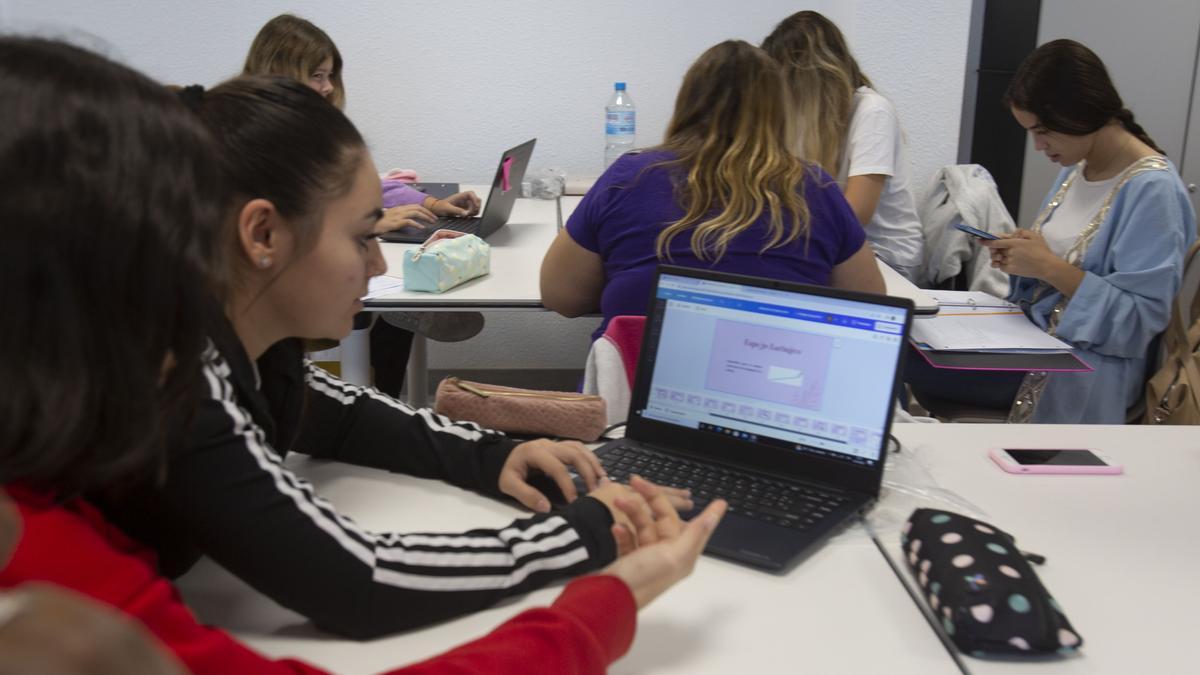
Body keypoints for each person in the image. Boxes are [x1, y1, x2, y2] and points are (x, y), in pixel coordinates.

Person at [0, 36, 725, 674]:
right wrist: (597, 561)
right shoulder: (61, 563)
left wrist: (485, 454)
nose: (195, 280)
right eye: (168, 254)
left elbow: (323, 407)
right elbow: (357, 578)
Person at [910, 39, 1196, 423]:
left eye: (1043, 131)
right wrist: (1024, 256)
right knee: (902, 337)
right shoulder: (1077, 167)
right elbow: (1062, 267)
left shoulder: (1153, 191)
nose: (1038, 145)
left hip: (1082, 367)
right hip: (1033, 340)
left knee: (895, 356)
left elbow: (1141, 320)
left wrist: (1046, 266)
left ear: (1082, 112)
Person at [541, 40, 884, 338]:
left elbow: (560, 296)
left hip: (627, 398)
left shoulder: (629, 177)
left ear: (687, 102)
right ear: (778, 111)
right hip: (770, 393)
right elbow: (870, 305)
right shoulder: (816, 187)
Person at [244, 12, 484, 396]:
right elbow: (292, 220)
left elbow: (371, 186)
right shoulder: (261, 138)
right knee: (402, 293)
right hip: (286, 273)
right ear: (282, 71)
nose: (326, 87)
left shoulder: (311, 127)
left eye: (330, 76)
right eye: (316, 75)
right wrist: (371, 224)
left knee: (401, 295)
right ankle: (381, 397)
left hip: (313, 261)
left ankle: (386, 397)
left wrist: (432, 202)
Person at [762, 11, 926, 284]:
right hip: (835, 246)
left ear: (807, 77)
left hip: (885, 256)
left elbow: (855, 214)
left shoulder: (872, 111)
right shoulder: (807, 119)